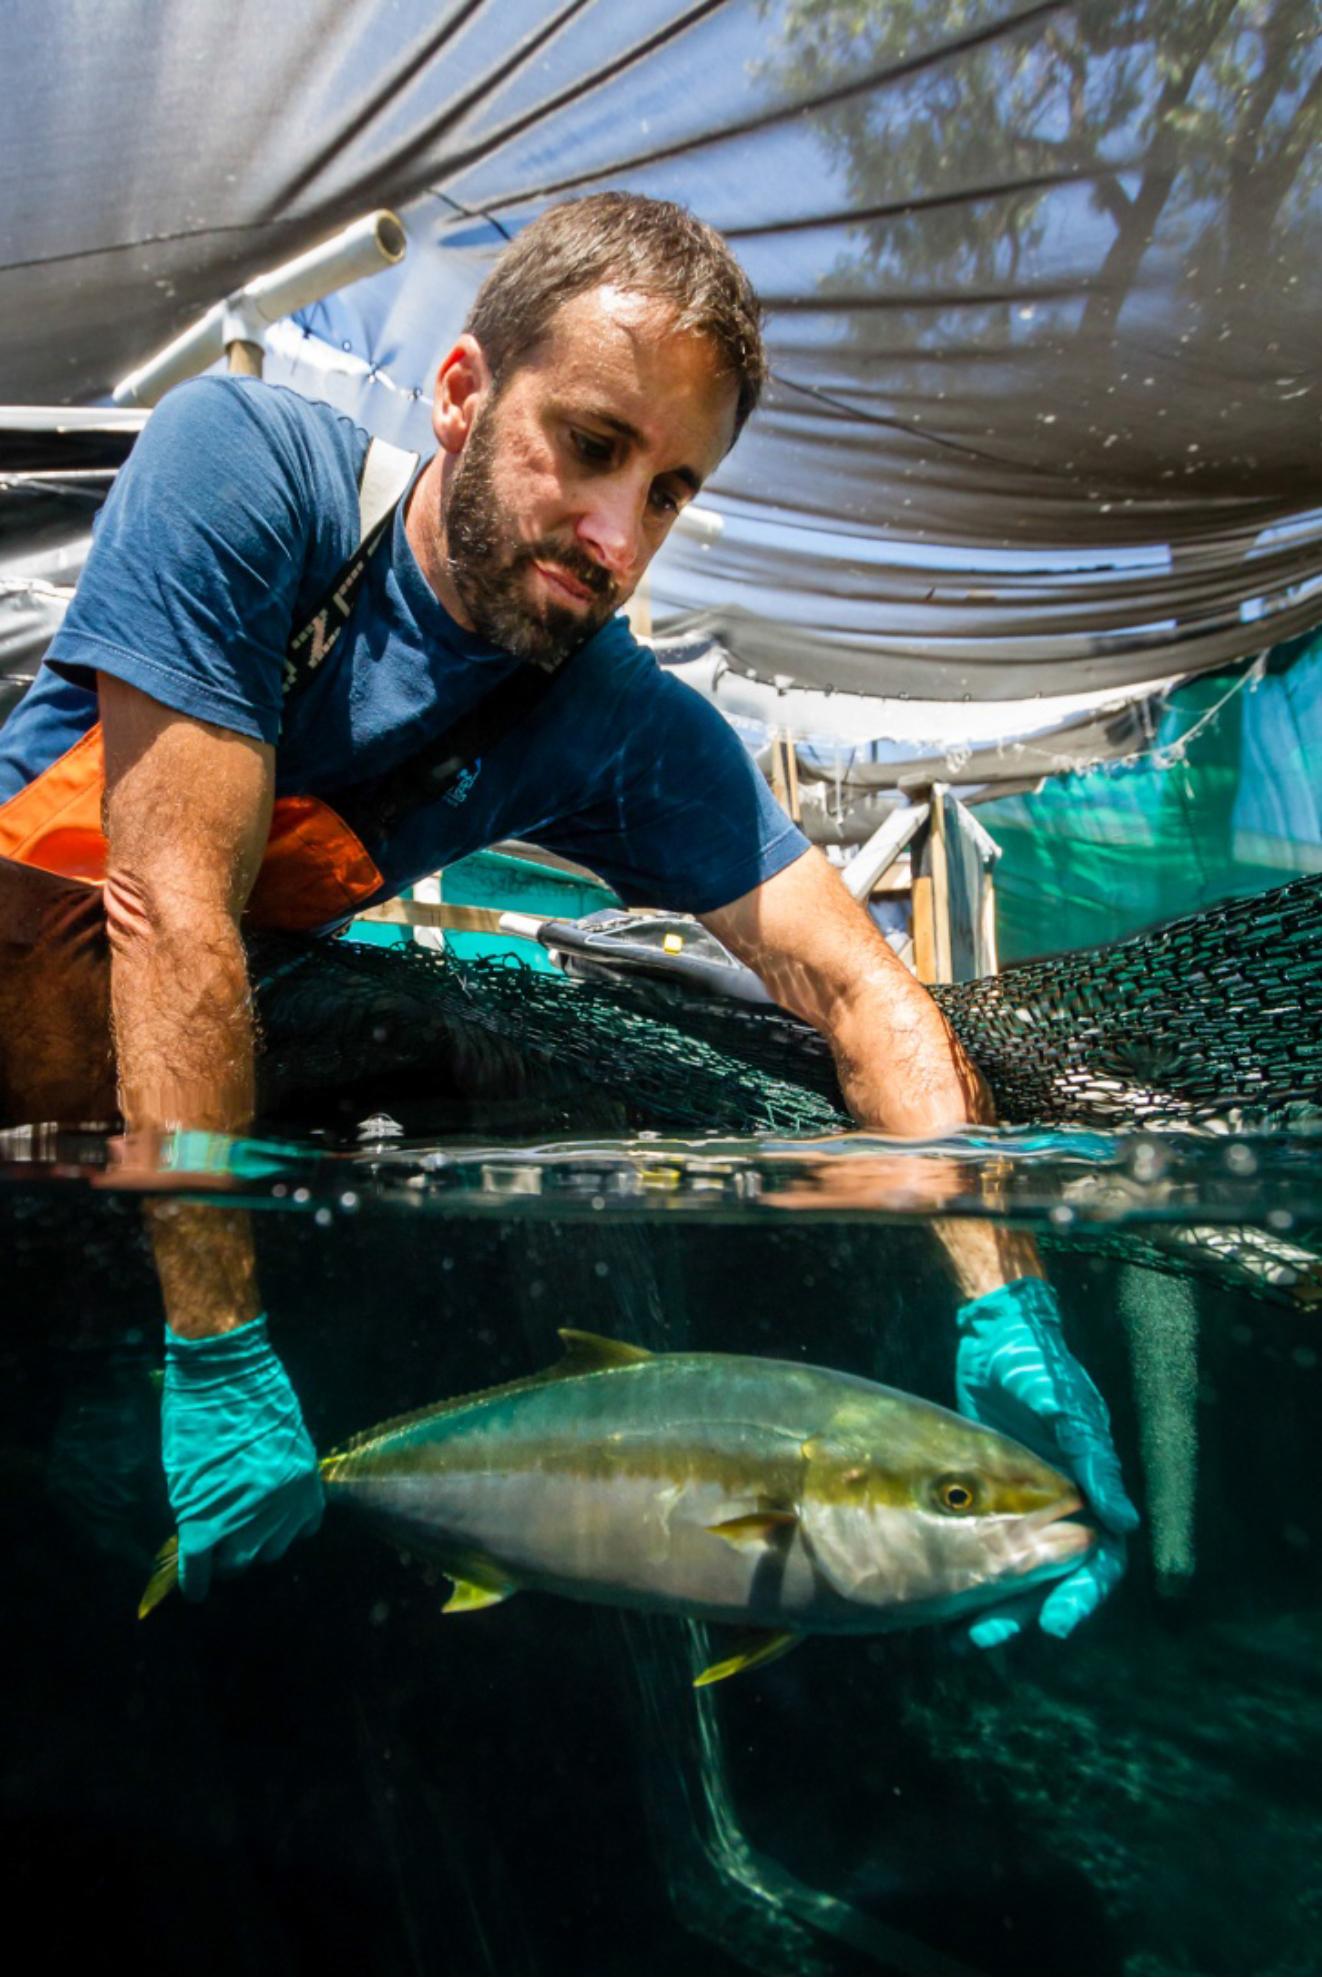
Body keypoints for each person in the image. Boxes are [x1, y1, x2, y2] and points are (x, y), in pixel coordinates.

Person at [0, 193, 1136, 1632]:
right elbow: (172, 911)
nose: (616, 536)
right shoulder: (249, 473)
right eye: (593, 446)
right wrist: (221, 1349)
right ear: (464, 395)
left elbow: (861, 991)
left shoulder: (619, 721)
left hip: (150, 1137)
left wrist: (999, 1294)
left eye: (666, 492)